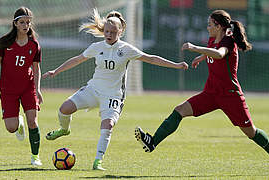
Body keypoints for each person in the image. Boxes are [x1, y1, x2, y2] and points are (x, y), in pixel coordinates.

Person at [135, 10, 269, 175]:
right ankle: (152, 142)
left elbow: (219, 54)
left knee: (251, 132)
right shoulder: (213, 39)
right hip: (211, 93)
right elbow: (212, 49)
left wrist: (195, 48)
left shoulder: (229, 41)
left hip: (230, 95)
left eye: (210, 24)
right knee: (179, 110)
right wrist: (202, 57)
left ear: (218, 26)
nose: (207, 27)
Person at [42, 8, 188, 171]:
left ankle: (98, 161)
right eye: (106, 31)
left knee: (108, 125)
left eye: (113, 31)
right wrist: (56, 71)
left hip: (113, 95)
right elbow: (77, 60)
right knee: (63, 109)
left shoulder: (126, 49)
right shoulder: (97, 47)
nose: (109, 34)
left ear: (120, 31)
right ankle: (64, 129)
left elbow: (151, 59)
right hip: (93, 89)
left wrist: (176, 65)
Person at [0, 7, 43, 166]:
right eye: (22, 22)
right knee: (11, 127)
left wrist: (37, 90)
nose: (25, 25)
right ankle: (18, 123)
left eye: (28, 22)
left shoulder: (34, 45)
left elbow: (36, 68)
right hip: (8, 90)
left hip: (27, 88)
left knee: (33, 122)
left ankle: (35, 157)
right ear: (15, 23)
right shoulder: (3, 44)